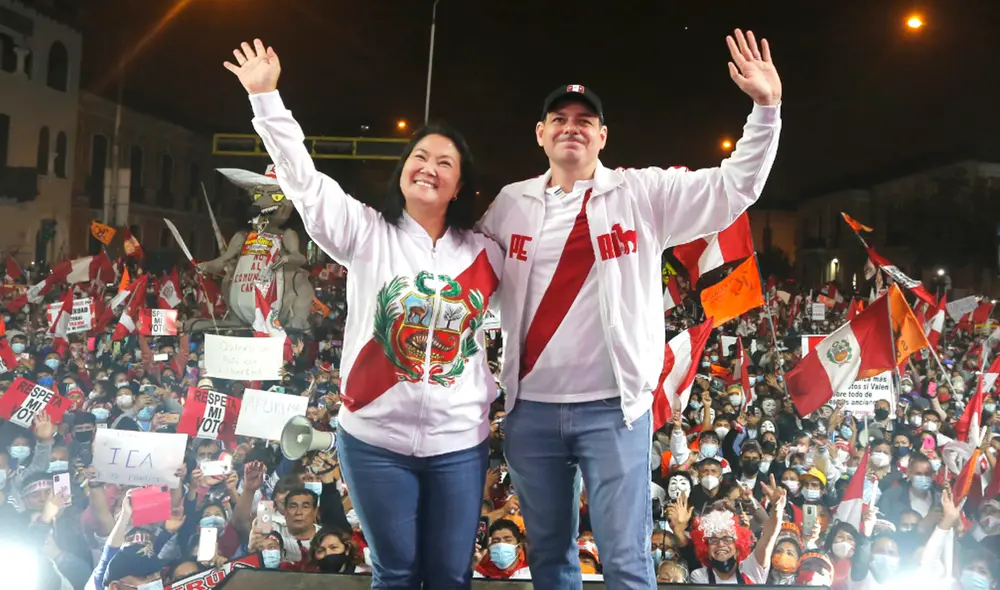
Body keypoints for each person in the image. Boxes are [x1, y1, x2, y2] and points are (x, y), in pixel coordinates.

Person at [478, 28, 782, 589]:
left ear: (603, 136)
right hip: (531, 412)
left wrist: (765, 109)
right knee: (548, 555)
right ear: (541, 134)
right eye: (560, 120)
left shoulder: (643, 194)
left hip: (613, 412)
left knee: (626, 560)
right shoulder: (508, 204)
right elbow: (467, 278)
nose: (573, 128)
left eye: (585, 121)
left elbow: (735, 188)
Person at [223, 39, 504, 589]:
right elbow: (303, 181)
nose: (428, 168)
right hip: (375, 444)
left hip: (459, 446)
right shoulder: (365, 232)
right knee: (395, 572)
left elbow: (529, 310)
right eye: (418, 157)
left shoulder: (486, 252)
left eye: (444, 162)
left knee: (450, 574)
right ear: (402, 170)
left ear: (461, 183)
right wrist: (265, 99)